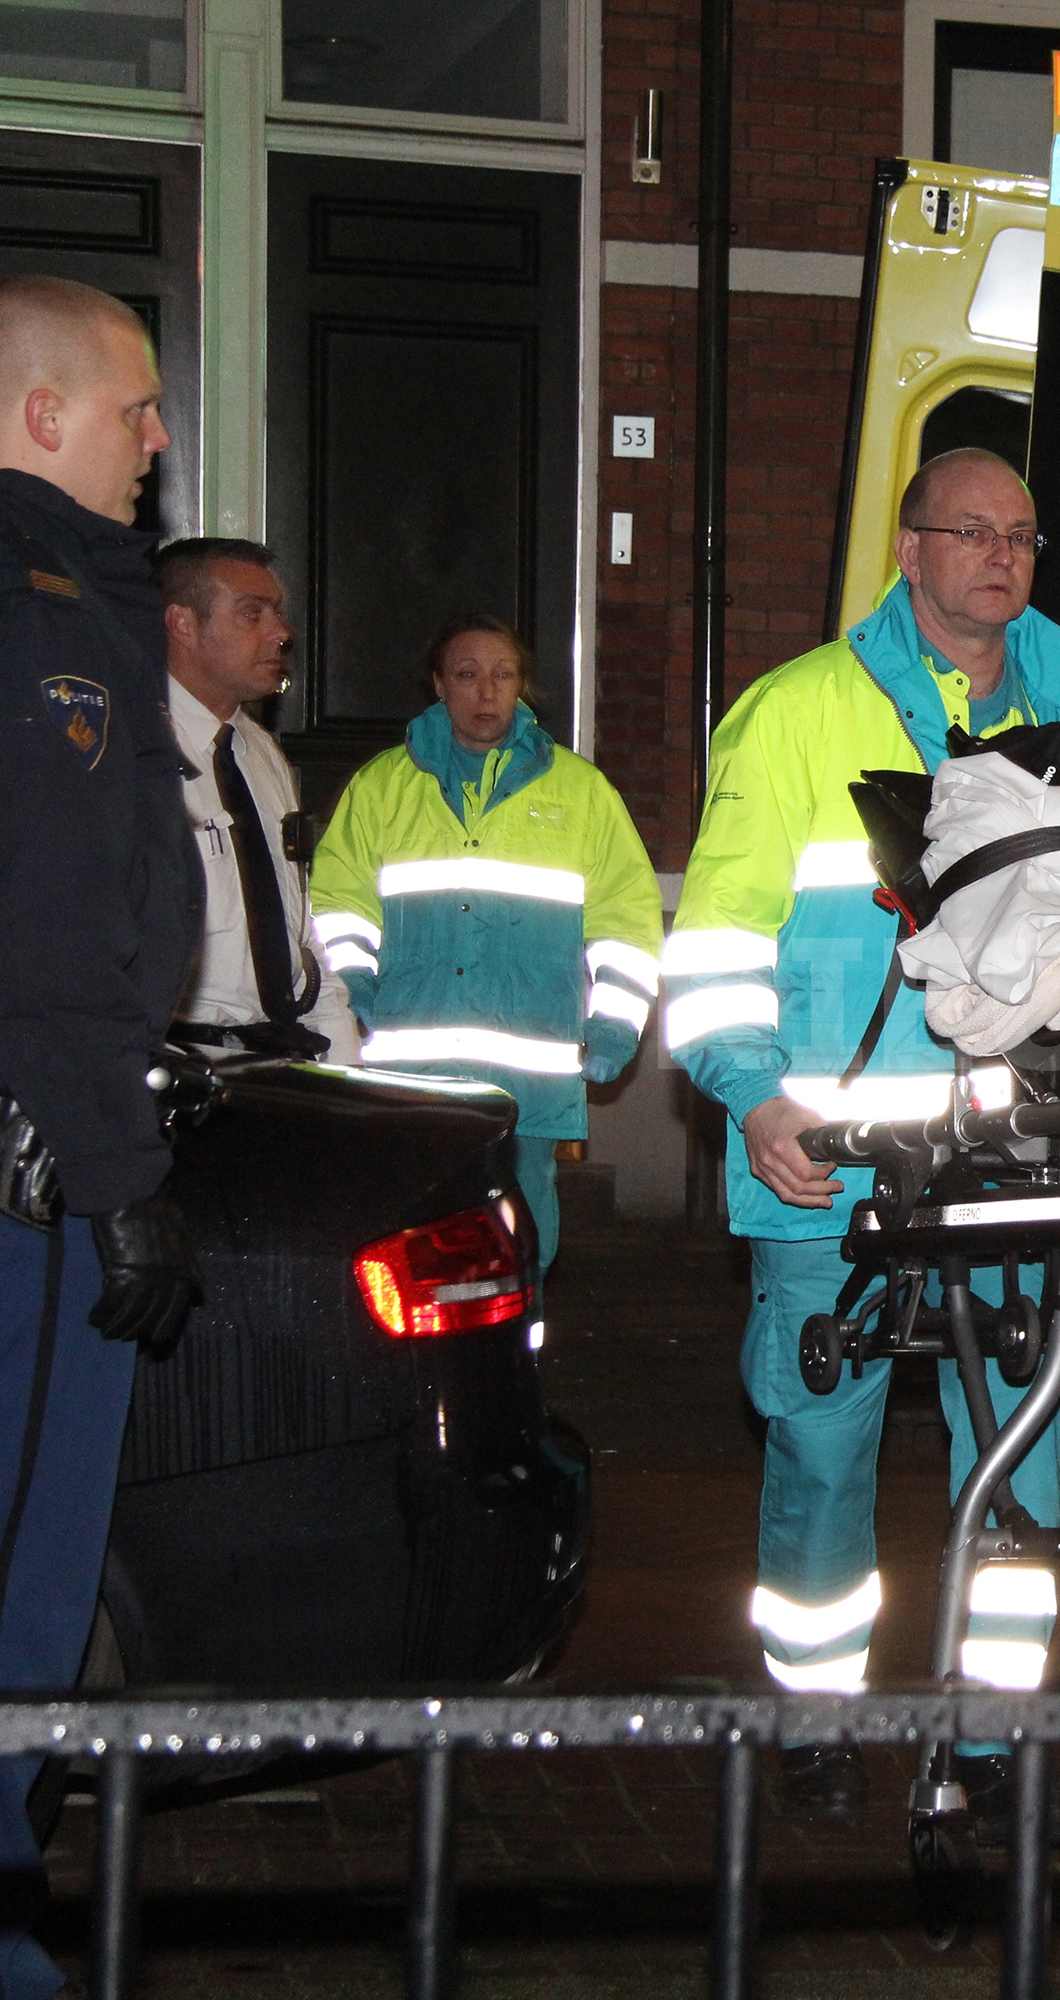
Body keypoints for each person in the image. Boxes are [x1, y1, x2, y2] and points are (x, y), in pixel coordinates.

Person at [662, 447, 1060, 1822]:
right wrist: (756, 1096)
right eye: (970, 531)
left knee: (1019, 1452)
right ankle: (815, 1718)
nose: (1000, 555)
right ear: (909, 549)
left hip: (1019, 1159)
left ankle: (993, 1734)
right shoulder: (798, 712)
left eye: (1021, 535)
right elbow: (717, 942)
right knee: (819, 1449)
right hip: (836, 1159)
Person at [0, 272, 202, 2000]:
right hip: (36, 1169)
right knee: (26, 1574)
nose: (158, 434)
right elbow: (54, 920)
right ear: (39, 412)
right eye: (133, 405)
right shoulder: (42, 605)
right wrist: (120, 1176)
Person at [310, 614, 661, 1271]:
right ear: (438, 684)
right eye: (467, 675)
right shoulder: (383, 787)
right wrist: (350, 989)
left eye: (503, 674)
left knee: (522, 1242)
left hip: (528, 1076)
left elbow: (627, 920)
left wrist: (616, 1022)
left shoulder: (580, 793)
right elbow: (338, 903)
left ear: (522, 685)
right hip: (409, 1071)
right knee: (411, 1245)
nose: (487, 691)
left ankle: (522, 1332)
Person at [155, 537, 360, 1061]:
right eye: (253, 614)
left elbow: (298, 931)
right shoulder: (133, 751)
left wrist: (343, 1059)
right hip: (172, 1062)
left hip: (270, 1057)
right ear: (182, 624)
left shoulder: (260, 752)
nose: (282, 632)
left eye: (278, 613)